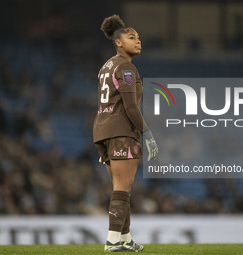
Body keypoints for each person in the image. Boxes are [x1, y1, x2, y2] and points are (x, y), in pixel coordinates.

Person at [93, 14, 158, 252]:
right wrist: (147, 134)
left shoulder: (106, 66)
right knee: (122, 188)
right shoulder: (126, 67)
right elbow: (130, 107)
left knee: (121, 189)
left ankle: (126, 239)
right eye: (132, 37)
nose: (138, 41)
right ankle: (112, 241)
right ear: (118, 42)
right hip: (121, 131)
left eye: (139, 37)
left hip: (103, 130)